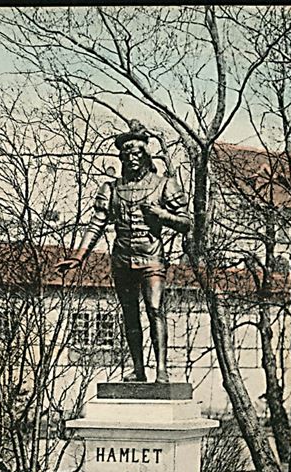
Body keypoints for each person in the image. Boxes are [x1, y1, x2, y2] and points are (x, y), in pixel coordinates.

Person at [55, 121, 190, 383]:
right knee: (129, 315)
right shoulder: (111, 188)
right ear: (121, 159)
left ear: (146, 156)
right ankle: (138, 370)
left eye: (137, 155)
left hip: (151, 255)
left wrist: (161, 215)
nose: (132, 160)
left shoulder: (164, 185)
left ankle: (161, 370)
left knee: (154, 309)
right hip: (121, 258)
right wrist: (79, 256)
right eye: (126, 156)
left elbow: (186, 223)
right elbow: (97, 223)